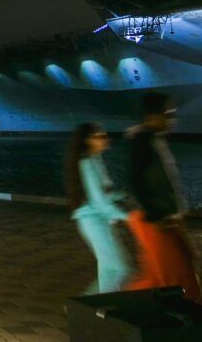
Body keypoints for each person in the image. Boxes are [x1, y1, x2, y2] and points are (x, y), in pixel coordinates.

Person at [126, 92, 202, 301]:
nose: (172, 120)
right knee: (174, 274)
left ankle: (120, 310)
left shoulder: (155, 140)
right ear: (151, 116)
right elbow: (136, 181)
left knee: (167, 272)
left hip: (164, 217)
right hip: (152, 218)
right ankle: (116, 308)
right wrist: (157, 215)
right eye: (168, 115)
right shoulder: (143, 142)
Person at [65, 123, 131, 294]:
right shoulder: (87, 163)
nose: (105, 139)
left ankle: (87, 308)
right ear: (88, 141)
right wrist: (130, 217)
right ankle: (95, 309)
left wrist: (122, 195)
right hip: (95, 221)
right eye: (100, 136)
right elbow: (100, 202)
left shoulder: (95, 160)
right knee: (119, 270)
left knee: (110, 270)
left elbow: (102, 196)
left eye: (105, 135)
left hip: (97, 220)